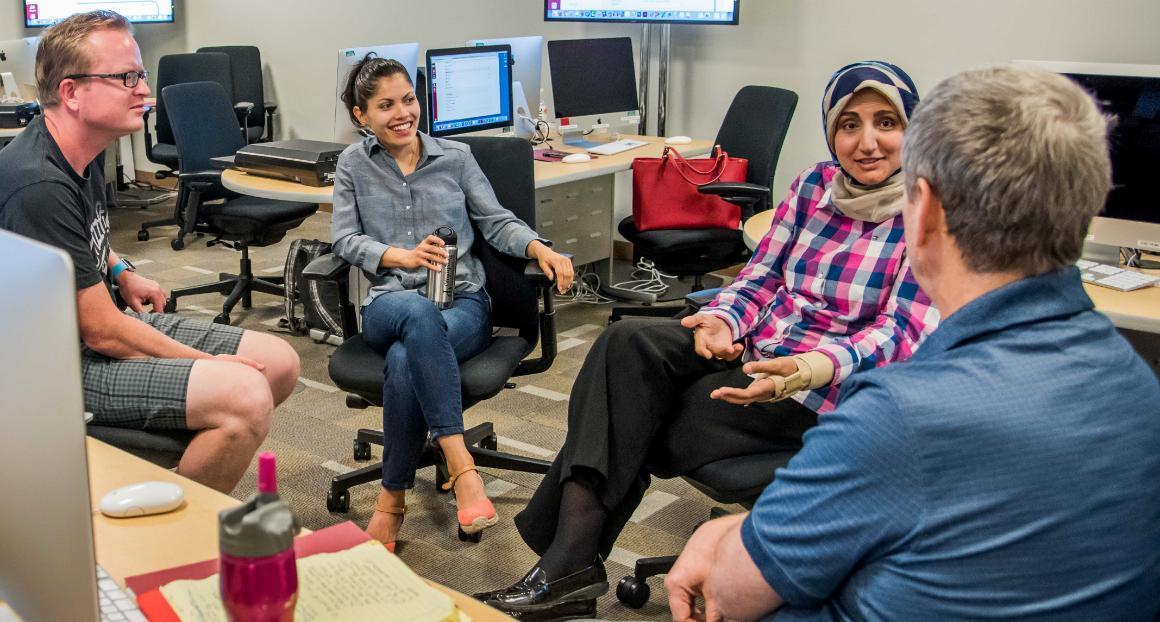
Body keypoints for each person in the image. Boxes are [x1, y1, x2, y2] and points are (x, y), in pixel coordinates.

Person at [664, 65, 1160, 621]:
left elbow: (732, 594)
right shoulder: (1139, 386)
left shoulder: (898, 412)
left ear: (923, 212)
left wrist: (729, 537)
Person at [475, 61, 940, 620]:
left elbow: (899, 335)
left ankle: (567, 566)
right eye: (849, 124)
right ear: (831, 131)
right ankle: (569, 564)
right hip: (757, 354)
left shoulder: (931, 210)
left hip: (826, 395)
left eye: (886, 123)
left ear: (913, 127)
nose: (866, 142)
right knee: (624, 345)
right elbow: (760, 278)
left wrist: (807, 367)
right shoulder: (816, 185)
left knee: (639, 413)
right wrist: (724, 319)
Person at [0, 10, 300, 494]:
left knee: (279, 362)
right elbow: (103, 332)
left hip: (95, 331)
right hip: (56, 368)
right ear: (71, 92)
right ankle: (170, 528)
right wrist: (202, 365)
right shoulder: (37, 185)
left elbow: (76, 240)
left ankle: (168, 477)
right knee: (244, 394)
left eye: (140, 75)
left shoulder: (79, 147)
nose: (144, 90)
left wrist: (120, 269)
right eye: (126, 77)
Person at [331, 56, 574, 551]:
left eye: (408, 100)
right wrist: (400, 256)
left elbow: (496, 222)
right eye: (386, 105)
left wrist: (539, 248)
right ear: (362, 115)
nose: (403, 113)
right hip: (389, 304)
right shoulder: (353, 164)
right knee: (415, 313)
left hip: (463, 304)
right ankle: (462, 465)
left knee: (405, 358)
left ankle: (390, 502)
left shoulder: (456, 158)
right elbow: (344, 240)